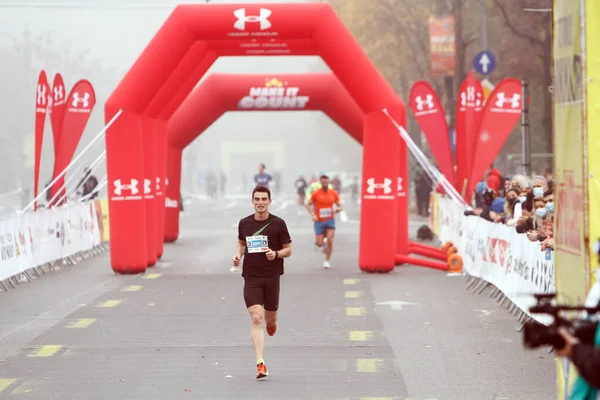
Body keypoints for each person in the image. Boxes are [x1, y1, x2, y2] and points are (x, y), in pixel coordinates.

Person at [232, 185, 292, 379]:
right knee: (256, 317)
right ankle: (260, 364)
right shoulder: (244, 223)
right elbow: (241, 242)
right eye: (256, 199)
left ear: (269, 201)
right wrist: (238, 255)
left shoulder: (278, 223)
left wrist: (275, 254)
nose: (260, 203)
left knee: (270, 320)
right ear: (252, 201)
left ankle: (272, 324)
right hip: (251, 276)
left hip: (272, 275)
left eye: (263, 199)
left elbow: (288, 250)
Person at [305, 174, 342, 269]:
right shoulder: (316, 193)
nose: (325, 183)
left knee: (330, 239)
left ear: (328, 182)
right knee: (319, 243)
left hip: (330, 219)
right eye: (323, 181)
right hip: (319, 221)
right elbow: (308, 205)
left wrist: (337, 209)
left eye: (326, 181)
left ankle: (327, 261)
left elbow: (340, 205)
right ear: (321, 183)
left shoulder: (333, 193)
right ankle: (322, 242)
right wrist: (313, 214)